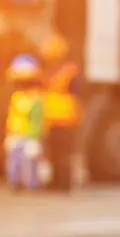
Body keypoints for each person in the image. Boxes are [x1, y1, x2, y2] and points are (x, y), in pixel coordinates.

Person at [41, 33, 81, 193]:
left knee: (63, 153)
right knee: (54, 152)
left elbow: (74, 93)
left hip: (65, 119)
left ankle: (64, 182)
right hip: (52, 118)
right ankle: (56, 180)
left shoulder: (69, 72)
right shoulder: (52, 72)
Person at [4, 53, 45, 191]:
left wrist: (35, 137)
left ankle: (31, 184)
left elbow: (37, 120)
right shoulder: (17, 97)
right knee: (15, 161)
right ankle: (15, 183)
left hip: (28, 135)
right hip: (16, 134)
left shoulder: (35, 99)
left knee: (29, 161)